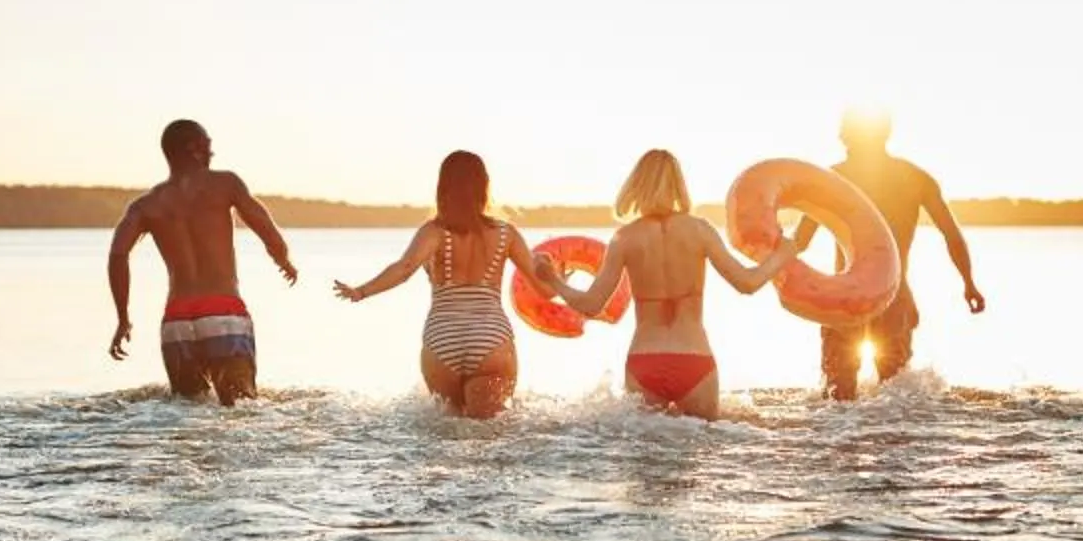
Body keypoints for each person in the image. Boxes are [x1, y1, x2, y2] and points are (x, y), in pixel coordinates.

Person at [543, 148, 816, 419]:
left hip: (645, 361)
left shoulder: (625, 238)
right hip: (694, 358)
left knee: (647, 457)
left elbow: (591, 305)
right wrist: (781, 255)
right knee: (700, 451)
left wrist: (553, 280)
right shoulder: (699, 230)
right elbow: (747, 283)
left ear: (637, 186)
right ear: (678, 185)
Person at [333, 150, 561, 418]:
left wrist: (361, 291)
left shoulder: (434, 231)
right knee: (489, 434)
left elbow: (404, 268)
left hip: (442, 342)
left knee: (448, 433)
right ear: (484, 188)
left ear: (443, 187)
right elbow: (545, 289)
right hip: (490, 338)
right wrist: (560, 277)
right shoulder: (505, 234)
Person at [107, 118, 298, 404]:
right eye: (208, 145)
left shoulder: (146, 205)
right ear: (194, 148)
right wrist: (283, 260)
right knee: (241, 408)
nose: (212, 153)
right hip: (223, 311)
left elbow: (118, 255)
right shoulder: (226, 184)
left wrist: (123, 318)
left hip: (176, 320)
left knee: (187, 410)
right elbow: (266, 230)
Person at [819, 110, 984, 399]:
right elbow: (950, 232)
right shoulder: (915, 177)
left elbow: (800, 241)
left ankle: (840, 441)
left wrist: (766, 271)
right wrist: (968, 283)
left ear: (848, 136)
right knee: (895, 395)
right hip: (893, 294)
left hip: (843, 297)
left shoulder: (832, 178)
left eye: (844, 131)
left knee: (837, 396)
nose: (840, 137)